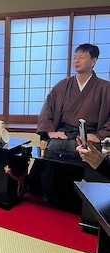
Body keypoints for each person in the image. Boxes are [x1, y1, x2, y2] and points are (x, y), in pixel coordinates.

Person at [29, 43, 110, 211]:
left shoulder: (105, 88)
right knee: (54, 147)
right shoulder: (62, 85)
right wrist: (51, 131)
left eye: (82, 57)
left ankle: (76, 202)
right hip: (63, 132)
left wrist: (99, 136)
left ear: (93, 61)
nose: (76, 60)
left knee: (81, 152)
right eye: (75, 57)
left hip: (89, 135)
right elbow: (47, 108)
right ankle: (48, 196)